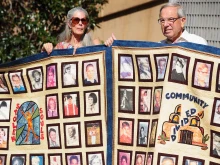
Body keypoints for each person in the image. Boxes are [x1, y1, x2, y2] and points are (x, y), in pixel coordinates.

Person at [42, 7, 115, 54]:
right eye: (76, 20)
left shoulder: (94, 44)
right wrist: (45, 50)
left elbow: (106, 66)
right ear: (69, 24)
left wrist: (111, 47)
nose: (80, 23)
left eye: (83, 20)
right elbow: (49, 69)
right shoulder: (60, 47)